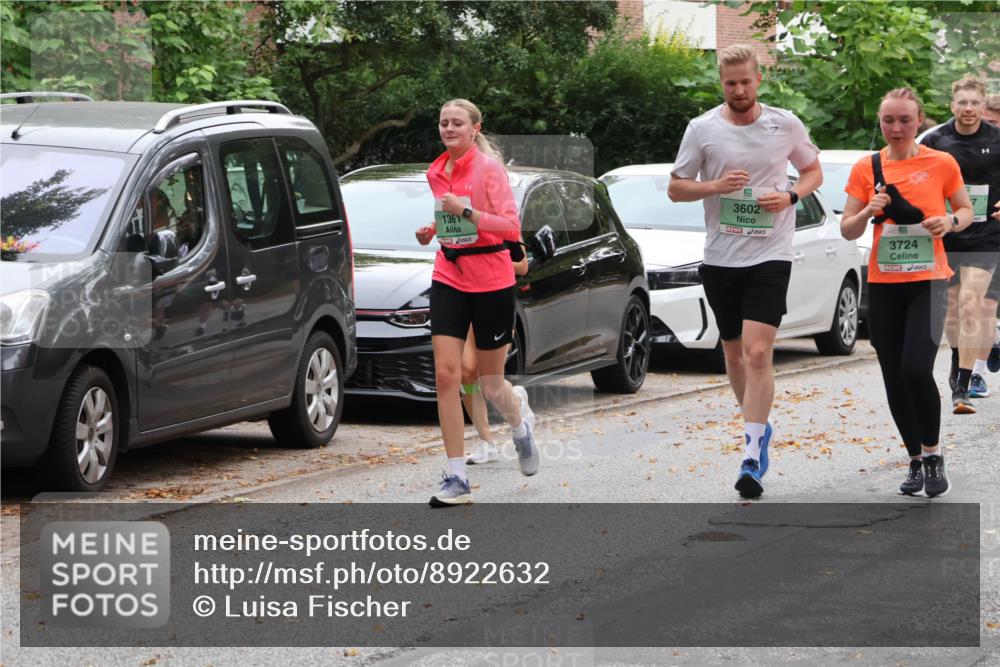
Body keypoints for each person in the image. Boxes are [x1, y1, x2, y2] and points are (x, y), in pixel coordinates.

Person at [668, 44, 823, 499]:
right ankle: (758, 424)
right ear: (722, 83)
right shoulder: (702, 129)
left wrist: (791, 196)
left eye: (745, 81)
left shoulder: (784, 123)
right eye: (730, 83)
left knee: (758, 354)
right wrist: (715, 186)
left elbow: (813, 172)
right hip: (721, 257)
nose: (738, 89)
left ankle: (751, 454)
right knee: (734, 355)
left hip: (771, 254)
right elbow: (676, 189)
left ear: (759, 79)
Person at [841, 88, 974, 498]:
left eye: (904, 120)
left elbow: (966, 210)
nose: (896, 128)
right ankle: (914, 459)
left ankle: (933, 454)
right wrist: (868, 210)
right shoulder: (867, 167)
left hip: (928, 281)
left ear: (919, 121)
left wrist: (949, 222)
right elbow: (847, 229)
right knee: (894, 376)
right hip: (884, 286)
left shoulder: (941, 162)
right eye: (888, 120)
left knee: (916, 368)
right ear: (880, 122)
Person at [416, 99, 539, 507]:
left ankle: (519, 426)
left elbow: (509, 228)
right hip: (449, 275)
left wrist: (465, 211)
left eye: (457, 123)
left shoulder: (489, 170)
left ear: (475, 129)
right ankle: (457, 477)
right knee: (446, 376)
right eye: (443, 123)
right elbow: (450, 221)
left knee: (489, 384)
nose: (449, 129)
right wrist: (432, 229)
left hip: (491, 280)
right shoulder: (436, 171)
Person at [920, 78, 1000, 409]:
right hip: (948, 233)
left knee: (971, 302)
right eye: (962, 103)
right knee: (954, 309)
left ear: (983, 106)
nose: (968, 109)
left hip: (986, 234)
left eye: (974, 103)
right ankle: (958, 359)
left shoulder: (997, 140)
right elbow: (916, 177)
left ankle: (963, 386)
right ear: (952, 105)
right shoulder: (935, 140)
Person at [463, 240, 533, 465]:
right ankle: (486, 442)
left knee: (489, 381)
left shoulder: (502, 223)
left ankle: (517, 401)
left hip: (496, 301)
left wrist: (487, 262)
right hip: (465, 299)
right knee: (466, 374)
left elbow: (523, 266)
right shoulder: (461, 222)